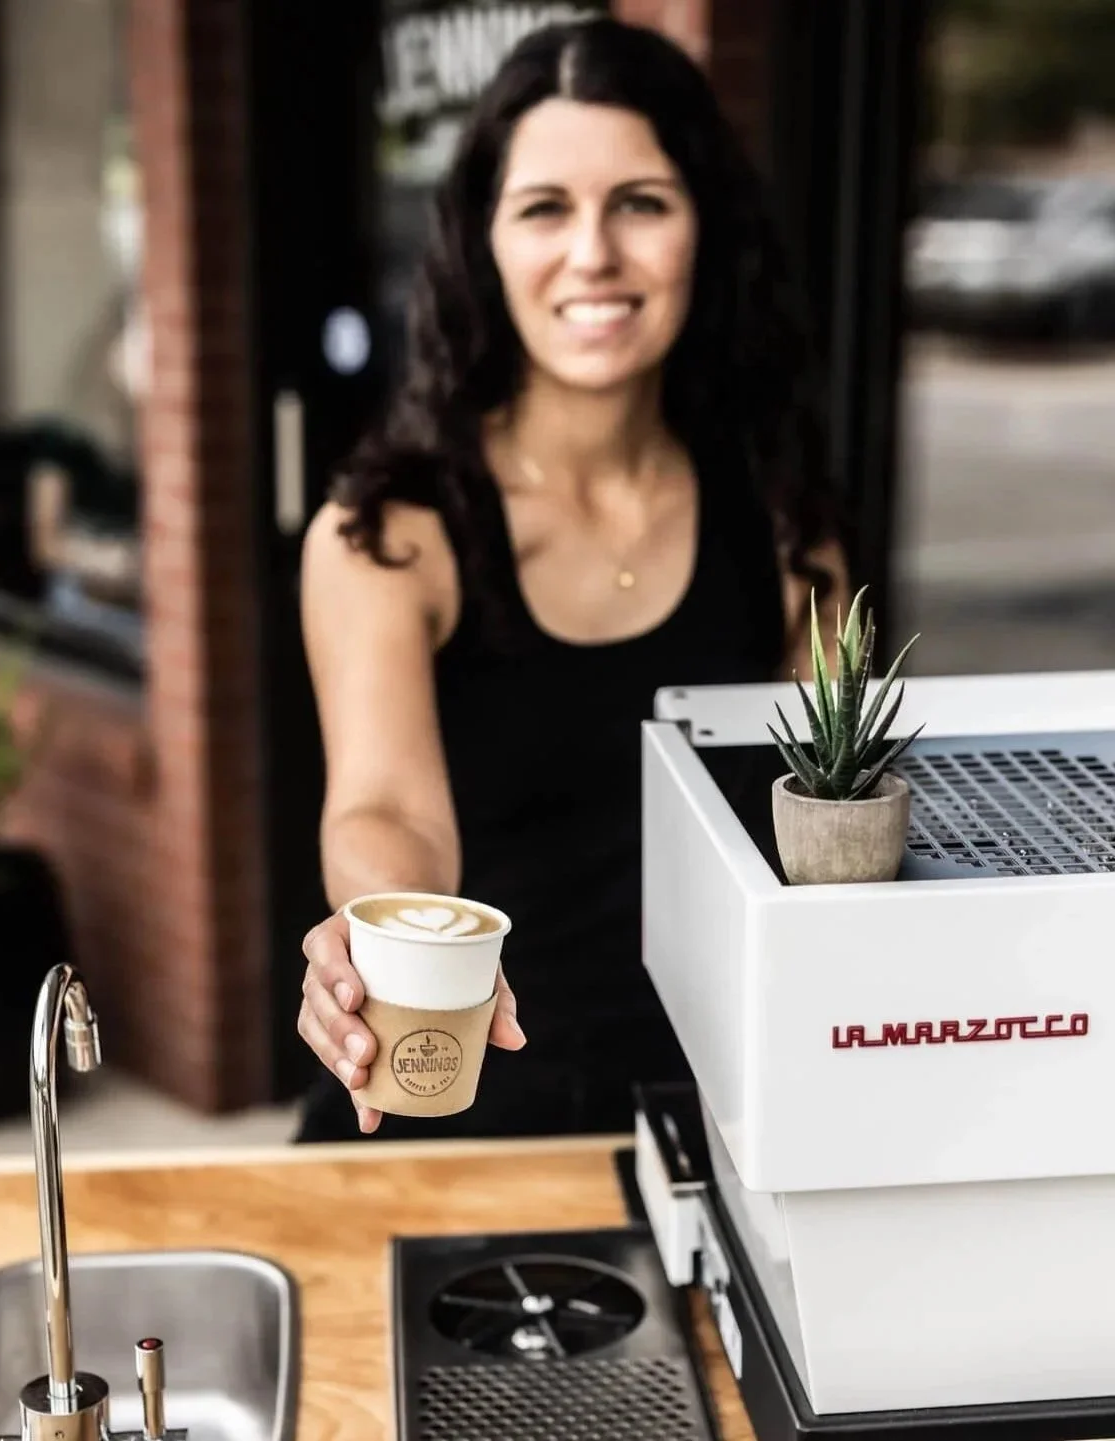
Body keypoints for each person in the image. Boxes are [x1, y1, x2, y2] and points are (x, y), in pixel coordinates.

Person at [295, 17, 849, 1142]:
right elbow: (387, 806)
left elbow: (836, 830)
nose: (593, 253)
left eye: (641, 201)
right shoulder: (389, 531)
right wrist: (383, 934)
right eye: (544, 207)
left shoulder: (790, 525)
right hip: (442, 1096)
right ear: (481, 244)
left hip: (711, 1128)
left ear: (705, 228)